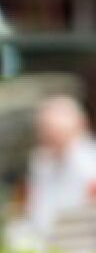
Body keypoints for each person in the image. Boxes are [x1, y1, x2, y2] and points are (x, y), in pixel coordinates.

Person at [26, 95, 96, 238]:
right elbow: (36, 210)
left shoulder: (88, 160)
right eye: (46, 133)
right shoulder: (41, 162)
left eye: (57, 133)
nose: (50, 139)